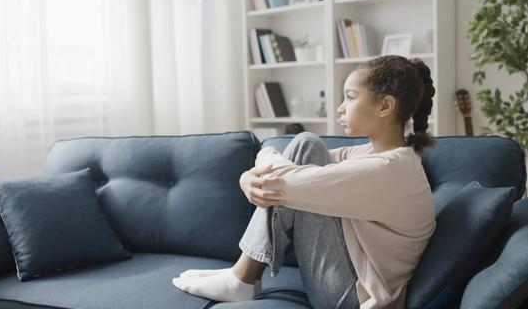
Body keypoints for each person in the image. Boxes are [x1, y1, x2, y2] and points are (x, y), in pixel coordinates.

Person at [172, 55, 437, 309]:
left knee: (305, 144)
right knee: (305, 148)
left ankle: (242, 277)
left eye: (350, 97)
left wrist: (256, 166)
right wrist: (248, 175)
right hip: (349, 281)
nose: (340, 107)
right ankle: (241, 276)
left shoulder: (390, 170)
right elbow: (296, 166)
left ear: (385, 106)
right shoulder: (374, 156)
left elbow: (287, 181)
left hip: (353, 299)